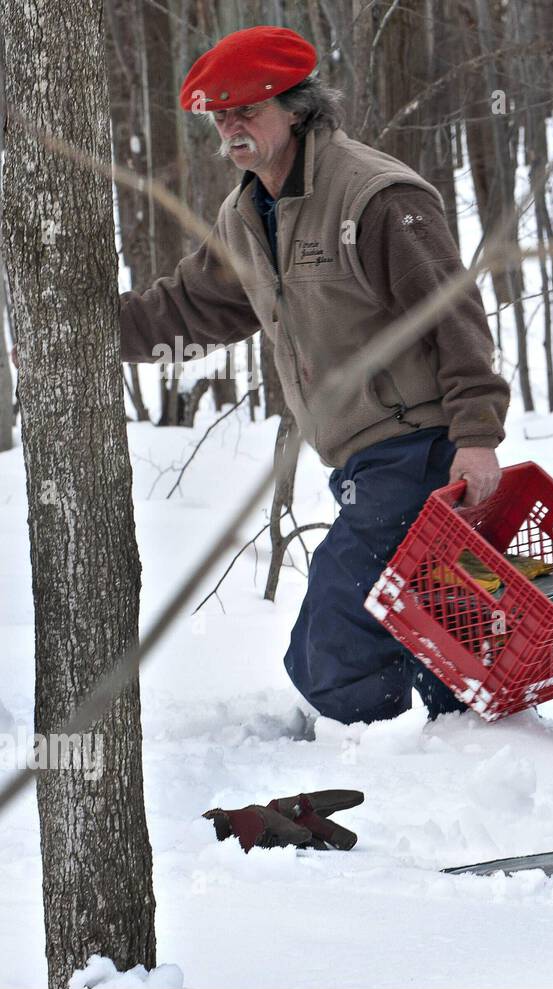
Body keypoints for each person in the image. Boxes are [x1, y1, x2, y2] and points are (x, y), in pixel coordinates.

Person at [118, 26, 511, 725]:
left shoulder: (376, 196)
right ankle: (453, 748)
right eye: (222, 116)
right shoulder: (247, 213)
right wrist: (91, 337)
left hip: (418, 451)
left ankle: (392, 759)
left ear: (297, 107)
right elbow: (193, 306)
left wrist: (477, 432)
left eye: (249, 110)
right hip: (362, 459)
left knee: (329, 649)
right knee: (416, 628)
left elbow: (455, 316)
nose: (232, 127)